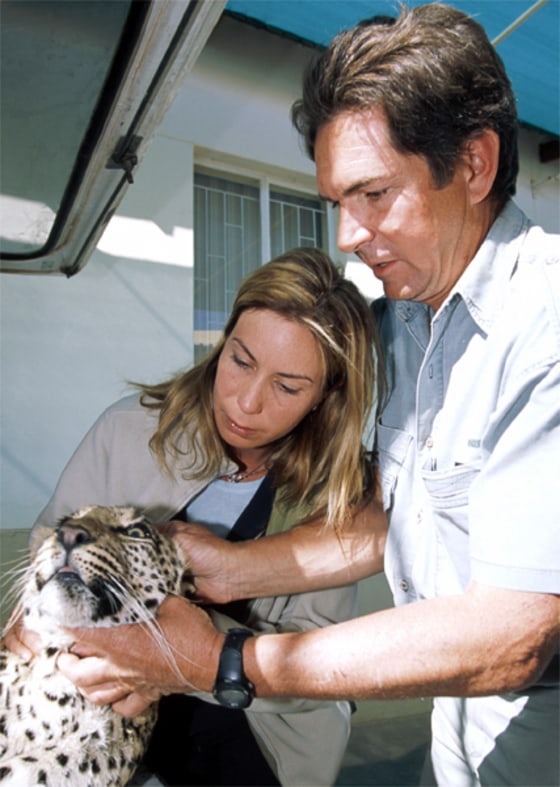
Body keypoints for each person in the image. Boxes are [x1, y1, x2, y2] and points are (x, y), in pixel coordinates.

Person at [10, 4, 559, 786]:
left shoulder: (543, 328)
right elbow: (398, 518)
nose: (346, 235)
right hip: (459, 735)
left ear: (474, 163)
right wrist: (234, 571)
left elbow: (514, 634)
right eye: (337, 200)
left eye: (373, 195)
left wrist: (224, 658)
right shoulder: (408, 320)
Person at [8, 247, 383, 787]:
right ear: (222, 340)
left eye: (287, 386)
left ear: (326, 397)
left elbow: (314, 670)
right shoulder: (127, 430)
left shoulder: (338, 498)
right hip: (104, 716)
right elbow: (50, 544)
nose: (247, 403)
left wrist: (192, 653)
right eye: (241, 360)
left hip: (254, 732)